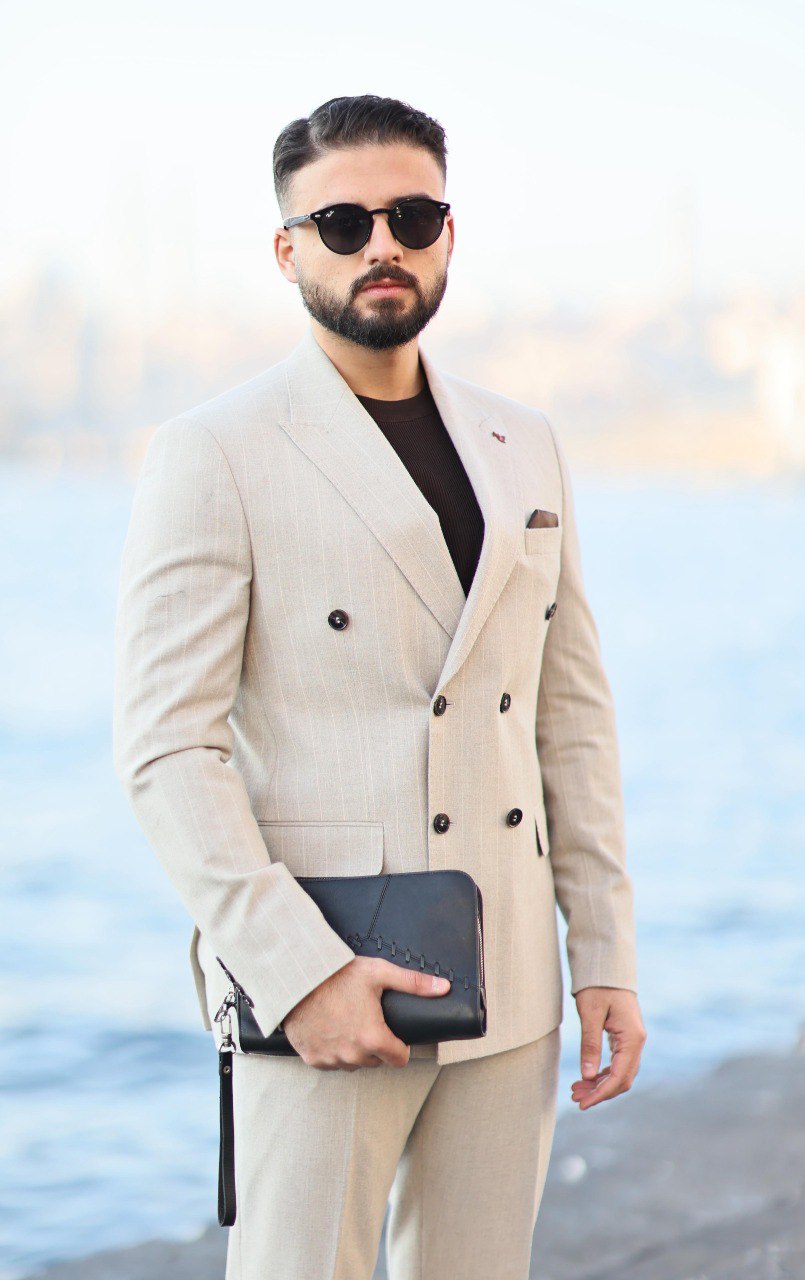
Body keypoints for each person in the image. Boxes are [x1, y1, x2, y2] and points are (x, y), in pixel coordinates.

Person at [113, 93, 647, 1280]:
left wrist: (601, 949)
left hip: (506, 974)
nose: (382, 246)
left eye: (411, 214)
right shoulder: (215, 451)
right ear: (287, 248)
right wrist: (299, 973)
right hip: (331, 970)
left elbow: (569, 716)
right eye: (345, 223)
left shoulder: (524, 441)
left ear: (450, 232)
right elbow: (167, 750)